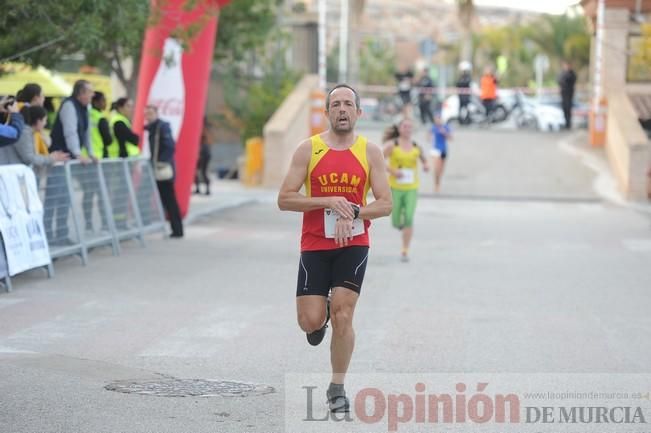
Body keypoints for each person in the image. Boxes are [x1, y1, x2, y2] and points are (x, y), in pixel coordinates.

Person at [278, 84, 392, 413]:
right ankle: (320, 313)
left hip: (353, 243)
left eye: (348, 104)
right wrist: (327, 201)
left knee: (345, 313)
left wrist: (355, 210)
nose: (342, 110)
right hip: (315, 243)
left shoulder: (370, 152)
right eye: (336, 104)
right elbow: (285, 199)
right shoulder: (308, 149)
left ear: (358, 112)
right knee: (309, 321)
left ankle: (337, 386)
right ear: (327, 112)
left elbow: (385, 204)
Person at [43, 79, 95, 246]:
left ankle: (61, 234)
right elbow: (70, 132)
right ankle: (48, 235)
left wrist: (91, 153)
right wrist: (78, 154)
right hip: (60, 159)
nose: (92, 95)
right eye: (89, 92)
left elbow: (86, 132)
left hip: (69, 160)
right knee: (54, 198)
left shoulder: (84, 108)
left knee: (64, 198)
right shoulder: (69, 106)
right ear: (80, 93)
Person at [383, 118, 428, 262]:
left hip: (411, 187)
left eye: (410, 127)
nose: (407, 129)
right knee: (396, 219)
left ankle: (405, 250)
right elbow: (378, 161)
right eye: (405, 126)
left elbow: (424, 159)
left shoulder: (416, 146)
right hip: (395, 187)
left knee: (409, 217)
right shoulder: (392, 145)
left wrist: (426, 165)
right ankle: (398, 224)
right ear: (400, 128)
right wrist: (393, 171)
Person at [144, 104, 183, 238]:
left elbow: (170, 147)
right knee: (163, 199)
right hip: (156, 168)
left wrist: (161, 161)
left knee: (169, 200)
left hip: (163, 169)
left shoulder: (162, 127)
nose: (148, 116)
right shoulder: (151, 128)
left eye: (150, 113)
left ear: (156, 113)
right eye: (146, 114)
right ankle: (173, 228)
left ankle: (177, 230)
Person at [80, 92, 112, 232]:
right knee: (102, 194)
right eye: (104, 100)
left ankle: (88, 224)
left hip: (85, 161)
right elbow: (108, 140)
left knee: (88, 193)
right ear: (97, 102)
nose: (105, 104)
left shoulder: (85, 115)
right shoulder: (100, 118)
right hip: (99, 161)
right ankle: (105, 224)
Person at [0, 105, 68, 168]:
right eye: (45, 120)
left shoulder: (28, 132)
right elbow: (29, 158)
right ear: (38, 121)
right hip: (10, 172)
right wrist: (51, 158)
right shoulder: (24, 133)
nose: (45, 123)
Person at [428, 113, 452, 193]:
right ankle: (436, 185)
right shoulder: (433, 127)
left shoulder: (445, 127)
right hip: (435, 150)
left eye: (439, 119)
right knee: (436, 169)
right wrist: (430, 137)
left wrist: (444, 133)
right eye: (436, 119)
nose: (437, 120)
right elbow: (429, 136)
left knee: (441, 170)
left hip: (444, 150)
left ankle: (438, 182)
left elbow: (450, 138)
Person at [194, 117, 213, 195]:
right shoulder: (206, 130)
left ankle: (205, 189)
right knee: (200, 172)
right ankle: (200, 188)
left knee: (201, 172)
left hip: (202, 153)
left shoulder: (203, 130)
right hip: (204, 152)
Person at [558, 61, 577, 130]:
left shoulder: (572, 73)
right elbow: (560, 81)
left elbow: (572, 80)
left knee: (569, 109)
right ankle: (566, 123)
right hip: (563, 94)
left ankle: (568, 124)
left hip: (569, 94)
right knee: (564, 109)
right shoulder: (562, 73)